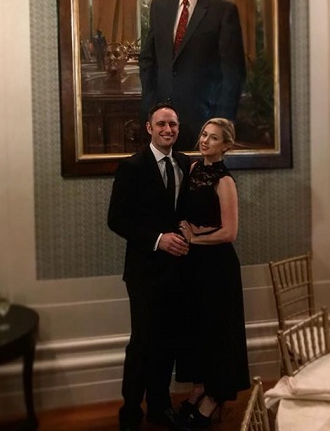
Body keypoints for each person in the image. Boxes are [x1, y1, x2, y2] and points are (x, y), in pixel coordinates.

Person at [107, 103, 191, 431]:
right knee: (142, 340)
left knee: (168, 339)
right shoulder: (133, 167)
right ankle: (130, 410)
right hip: (144, 270)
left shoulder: (185, 162)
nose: (168, 129)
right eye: (161, 124)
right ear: (149, 128)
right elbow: (116, 220)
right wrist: (158, 239)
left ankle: (159, 405)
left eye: (173, 124)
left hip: (179, 269)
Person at [175, 118, 250, 429]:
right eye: (204, 134)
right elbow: (185, 213)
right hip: (194, 266)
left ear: (226, 146)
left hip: (218, 267)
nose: (204, 140)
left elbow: (230, 232)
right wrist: (183, 227)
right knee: (197, 328)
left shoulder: (225, 181)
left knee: (219, 331)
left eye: (213, 138)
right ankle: (200, 387)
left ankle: (215, 397)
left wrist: (196, 239)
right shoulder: (193, 169)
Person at [139, 0, 246, 151]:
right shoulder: (159, 7)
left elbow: (233, 72)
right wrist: (151, 106)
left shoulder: (222, 10)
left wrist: (220, 122)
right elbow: (148, 60)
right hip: (162, 120)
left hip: (204, 121)